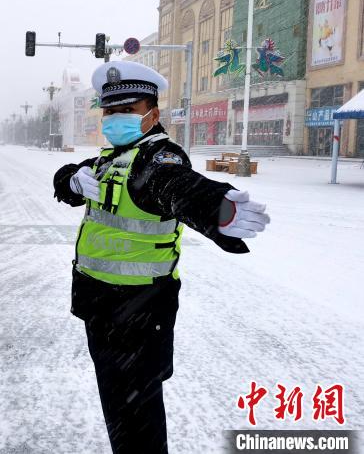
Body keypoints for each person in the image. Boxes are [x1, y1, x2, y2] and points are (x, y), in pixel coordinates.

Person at [52, 61, 270, 453]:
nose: (116, 119)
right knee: (119, 413)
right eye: (110, 112)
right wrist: (71, 178)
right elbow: (66, 181)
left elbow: (177, 187)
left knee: (138, 423)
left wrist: (217, 209)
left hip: (139, 313)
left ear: (152, 114)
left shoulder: (157, 159)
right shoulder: (109, 159)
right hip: (101, 307)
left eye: (128, 111)